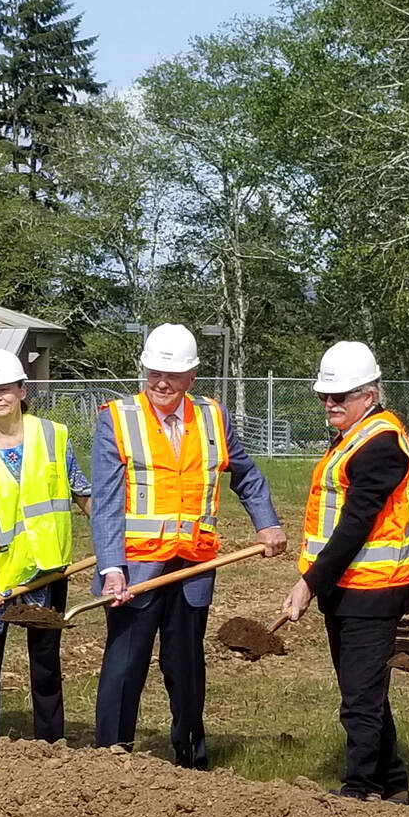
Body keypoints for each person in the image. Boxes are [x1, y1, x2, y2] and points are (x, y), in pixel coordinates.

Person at [91, 323, 284, 768]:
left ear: (192, 376)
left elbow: (247, 474)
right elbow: (104, 502)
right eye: (154, 372)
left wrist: (266, 523)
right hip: (136, 568)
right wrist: (111, 567)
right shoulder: (118, 418)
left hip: (194, 565)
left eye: (172, 375)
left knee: (186, 667)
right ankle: (110, 758)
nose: (161, 382)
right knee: (125, 664)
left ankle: (191, 757)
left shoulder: (213, 416)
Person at [280, 340, 409, 802]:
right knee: (368, 692)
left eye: (340, 396)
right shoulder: (354, 435)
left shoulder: (380, 445)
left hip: (372, 591)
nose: (330, 404)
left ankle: (359, 791)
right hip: (347, 587)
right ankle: (393, 784)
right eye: (325, 395)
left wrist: (308, 583)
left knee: (359, 699)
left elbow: (357, 523)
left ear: (370, 394)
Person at [0, 349, 90, 741]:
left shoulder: (53, 435)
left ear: (21, 390)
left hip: (47, 569)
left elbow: (81, 492)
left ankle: (50, 743)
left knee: (45, 661)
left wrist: (111, 539)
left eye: (5, 390)